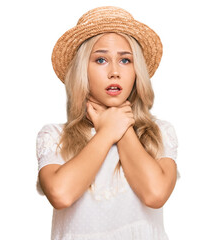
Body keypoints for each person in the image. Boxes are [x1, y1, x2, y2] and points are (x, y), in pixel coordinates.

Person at [35, 6, 179, 240]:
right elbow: (61, 195)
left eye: (125, 60)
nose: (114, 72)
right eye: (101, 59)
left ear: (136, 70)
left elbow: (155, 194)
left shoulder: (160, 133)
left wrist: (121, 127)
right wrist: (105, 133)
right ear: (83, 69)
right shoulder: (53, 136)